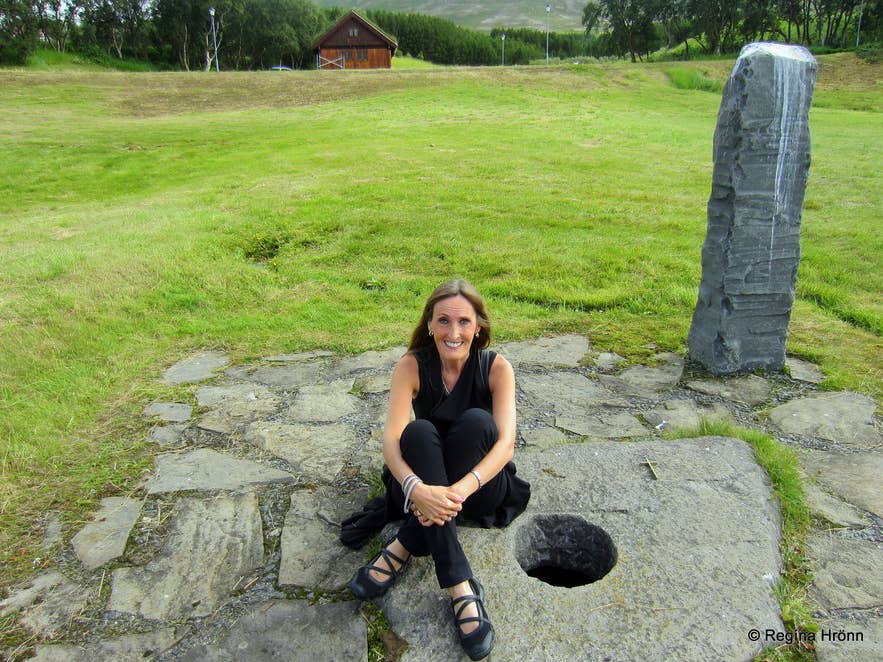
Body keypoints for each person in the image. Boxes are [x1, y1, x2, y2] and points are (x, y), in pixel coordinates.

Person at [348, 279, 531, 661]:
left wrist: (455, 492)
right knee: (417, 433)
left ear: (478, 327)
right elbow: (391, 442)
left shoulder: (497, 368)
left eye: (464, 321)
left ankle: (403, 544)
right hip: (423, 480)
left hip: (479, 489)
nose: (453, 332)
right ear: (429, 324)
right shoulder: (411, 366)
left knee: (479, 423)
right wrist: (417, 489)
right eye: (443, 321)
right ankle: (461, 586)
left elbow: (505, 446)